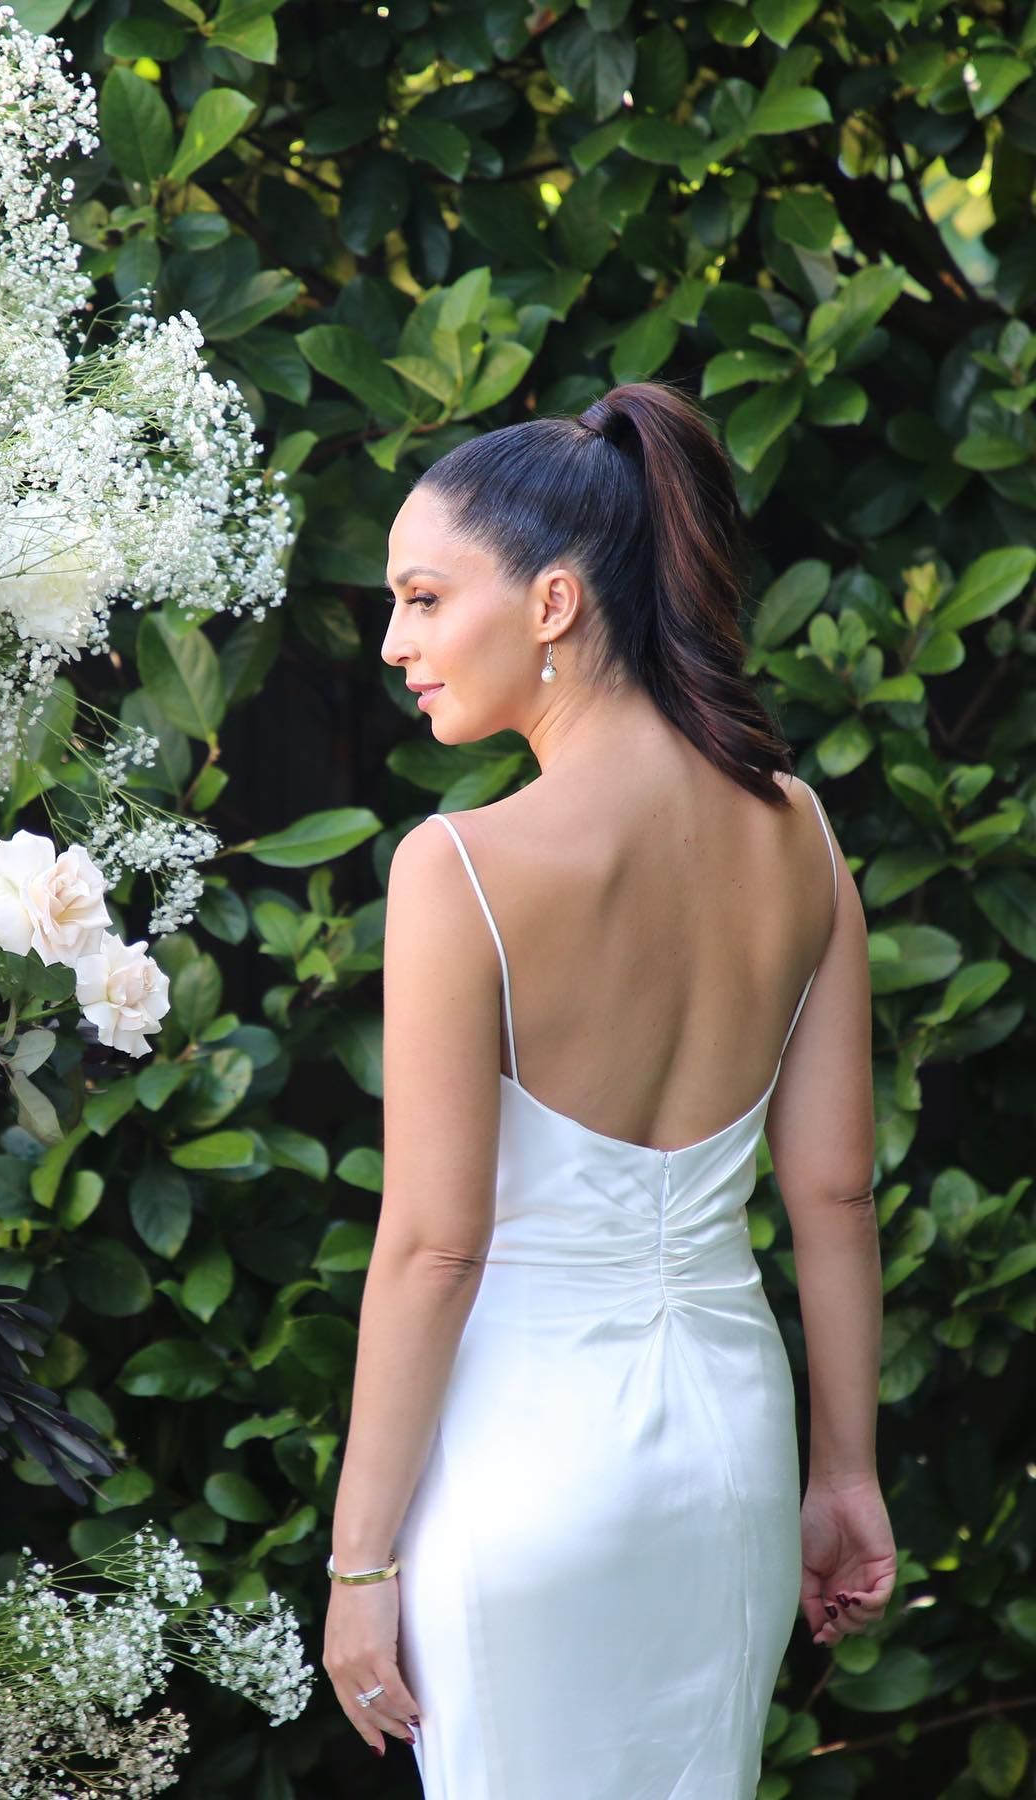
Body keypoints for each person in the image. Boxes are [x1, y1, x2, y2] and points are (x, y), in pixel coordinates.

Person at [322, 381, 897, 1796]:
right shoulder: (801, 832)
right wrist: (845, 1475)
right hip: (732, 1464)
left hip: (529, 1465)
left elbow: (435, 1245)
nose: (394, 642)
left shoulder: (457, 871)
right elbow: (835, 1194)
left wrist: (359, 1565)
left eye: (423, 598)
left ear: (554, 603)